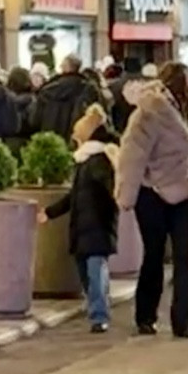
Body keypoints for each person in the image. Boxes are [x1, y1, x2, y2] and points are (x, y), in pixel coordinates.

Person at [115, 61, 188, 339]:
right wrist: (126, 196)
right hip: (150, 193)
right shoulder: (151, 111)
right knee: (155, 255)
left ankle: (183, 318)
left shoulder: (176, 109)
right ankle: (146, 315)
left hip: (178, 189)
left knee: (182, 256)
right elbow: (132, 154)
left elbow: (176, 150)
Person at [44, 102, 118, 333]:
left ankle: (99, 314)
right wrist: (49, 212)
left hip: (95, 224)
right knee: (89, 273)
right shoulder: (86, 162)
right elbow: (73, 196)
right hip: (88, 225)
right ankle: (97, 309)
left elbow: (108, 188)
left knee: (95, 272)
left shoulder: (97, 161)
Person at [34, 54, 102, 142]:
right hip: (77, 140)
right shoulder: (88, 89)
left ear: (64, 67)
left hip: (50, 141)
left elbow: (35, 120)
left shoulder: (47, 91)